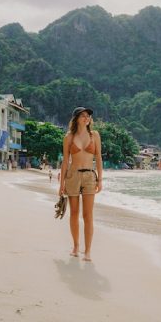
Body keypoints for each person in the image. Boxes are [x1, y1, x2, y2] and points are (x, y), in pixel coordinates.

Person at [59, 107, 103, 262]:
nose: (87, 118)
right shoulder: (69, 137)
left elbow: (98, 158)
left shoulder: (95, 135)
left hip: (90, 176)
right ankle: (76, 246)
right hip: (72, 176)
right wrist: (61, 184)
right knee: (74, 213)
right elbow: (65, 161)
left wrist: (100, 179)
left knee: (88, 215)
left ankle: (88, 251)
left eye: (88, 116)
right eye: (83, 116)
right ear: (76, 118)